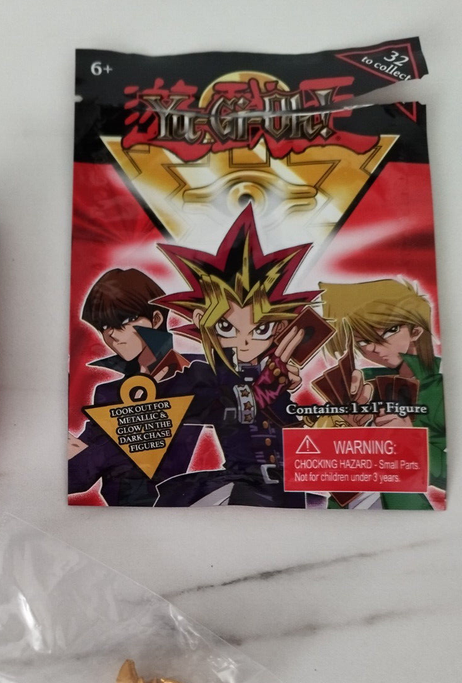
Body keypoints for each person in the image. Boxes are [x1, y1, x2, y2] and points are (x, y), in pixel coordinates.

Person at [150, 204, 316, 507]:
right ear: (203, 321)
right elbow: (193, 408)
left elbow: (292, 433)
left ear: (279, 326)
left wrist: (286, 395)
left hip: (290, 487)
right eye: (226, 326)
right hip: (242, 487)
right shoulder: (205, 374)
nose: (245, 339)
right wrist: (262, 391)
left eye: (261, 328)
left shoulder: (275, 370)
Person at [68, 267, 204, 506]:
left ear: (156, 319)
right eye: (104, 327)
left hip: (189, 507)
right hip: (121, 516)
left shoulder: (198, 374)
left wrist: (98, 449)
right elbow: (76, 477)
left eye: (124, 321)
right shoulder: (108, 394)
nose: (112, 335)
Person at [320, 279, 446, 509]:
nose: (371, 348)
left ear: (416, 330)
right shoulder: (365, 380)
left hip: (402, 509)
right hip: (345, 507)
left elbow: (449, 474)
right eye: (363, 341)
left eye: (387, 332)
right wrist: (346, 424)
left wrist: (410, 441)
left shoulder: (441, 388)